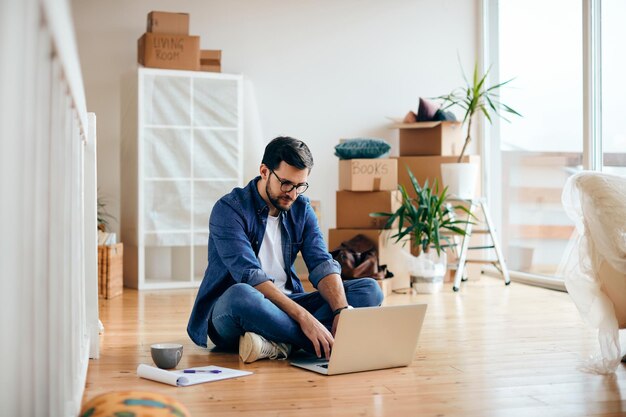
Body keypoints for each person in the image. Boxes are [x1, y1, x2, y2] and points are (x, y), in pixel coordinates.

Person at [187, 136, 383, 363]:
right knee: (241, 295)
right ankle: (317, 342)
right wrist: (305, 319)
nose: (292, 193)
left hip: (289, 303)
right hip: (236, 310)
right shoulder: (230, 209)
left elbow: (321, 262)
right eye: (286, 183)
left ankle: (277, 344)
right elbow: (250, 275)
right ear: (264, 171)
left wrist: (341, 311)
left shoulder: (302, 209)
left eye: (300, 186)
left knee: (369, 289)